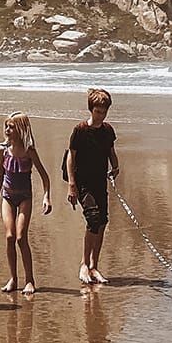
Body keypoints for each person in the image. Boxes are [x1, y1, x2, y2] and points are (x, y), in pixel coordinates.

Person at [0, 111, 52, 294]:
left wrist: (46, 197)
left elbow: (45, 176)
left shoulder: (29, 151)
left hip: (25, 197)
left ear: (21, 129)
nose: (8, 130)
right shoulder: (3, 150)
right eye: (6, 126)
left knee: (20, 237)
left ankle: (30, 279)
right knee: (9, 237)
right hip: (7, 197)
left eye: (12, 127)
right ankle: (13, 278)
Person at [66, 88, 119, 285]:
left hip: (100, 181)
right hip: (82, 183)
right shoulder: (80, 130)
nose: (101, 115)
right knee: (93, 219)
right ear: (91, 110)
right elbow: (71, 156)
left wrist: (115, 166)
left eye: (104, 111)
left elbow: (111, 151)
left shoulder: (107, 130)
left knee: (103, 222)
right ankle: (84, 265)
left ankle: (94, 266)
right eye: (97, 111)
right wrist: (72, 185)